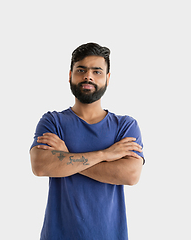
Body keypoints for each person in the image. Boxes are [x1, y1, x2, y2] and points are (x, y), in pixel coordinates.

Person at [30, 42, 145, 240]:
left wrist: (66, 159)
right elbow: (40, 165)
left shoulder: (125, 126)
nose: (88, 76)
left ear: (108, 78)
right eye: (81, 70)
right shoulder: (53, 122)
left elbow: (130, 175)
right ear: (70, 75)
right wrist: (105, 155)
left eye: (97, 71)